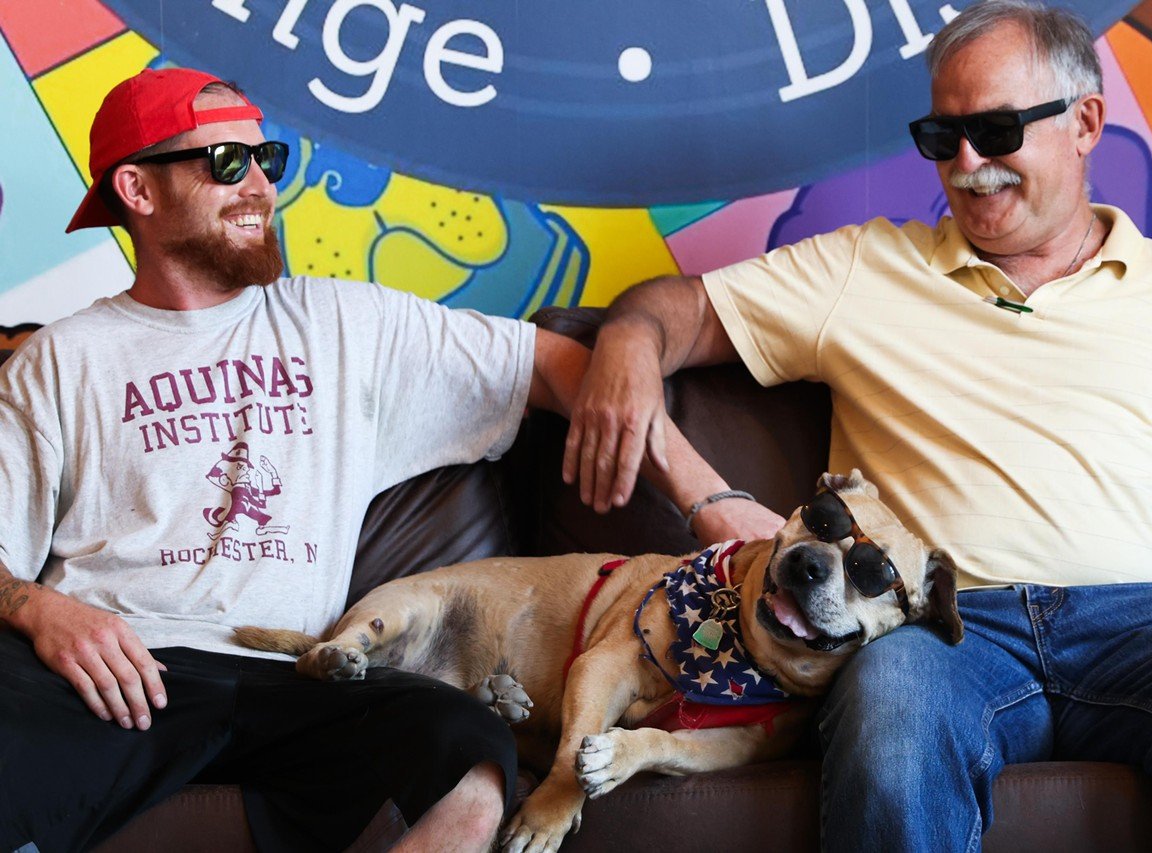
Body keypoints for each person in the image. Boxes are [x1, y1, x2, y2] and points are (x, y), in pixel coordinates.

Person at [564, 1, 1152, 849]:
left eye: (999, 129)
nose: (968, 164)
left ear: (1086, 122)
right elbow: (671, 307)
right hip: (943, 628)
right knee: (891, 705)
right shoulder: (864, 268)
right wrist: (627, 341)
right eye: (944, 137)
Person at [0, 66, 727, 853]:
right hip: (117, 674)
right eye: (225, 163)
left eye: (266, 161)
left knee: (470, 757)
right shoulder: (60, 361)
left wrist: (716, 505)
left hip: (299, 675)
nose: (259, 187)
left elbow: (563, 369)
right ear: (138, 191)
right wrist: (41, 608)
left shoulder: (348, 326)